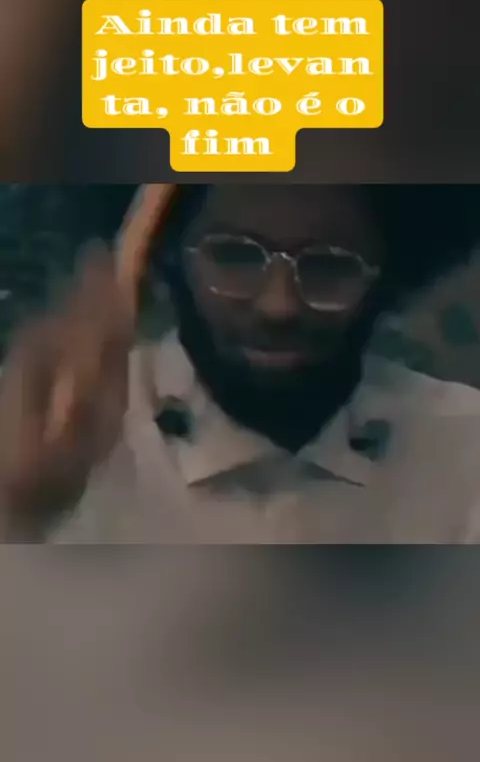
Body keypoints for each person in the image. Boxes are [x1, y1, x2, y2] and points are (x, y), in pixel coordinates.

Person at [1, 184, 480, 543]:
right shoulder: (54, 432)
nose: (279, 306)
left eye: (330, 265)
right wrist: (19, 513)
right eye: (234, 256)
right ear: (165, 256)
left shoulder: (464, 451)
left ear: (390, 273)